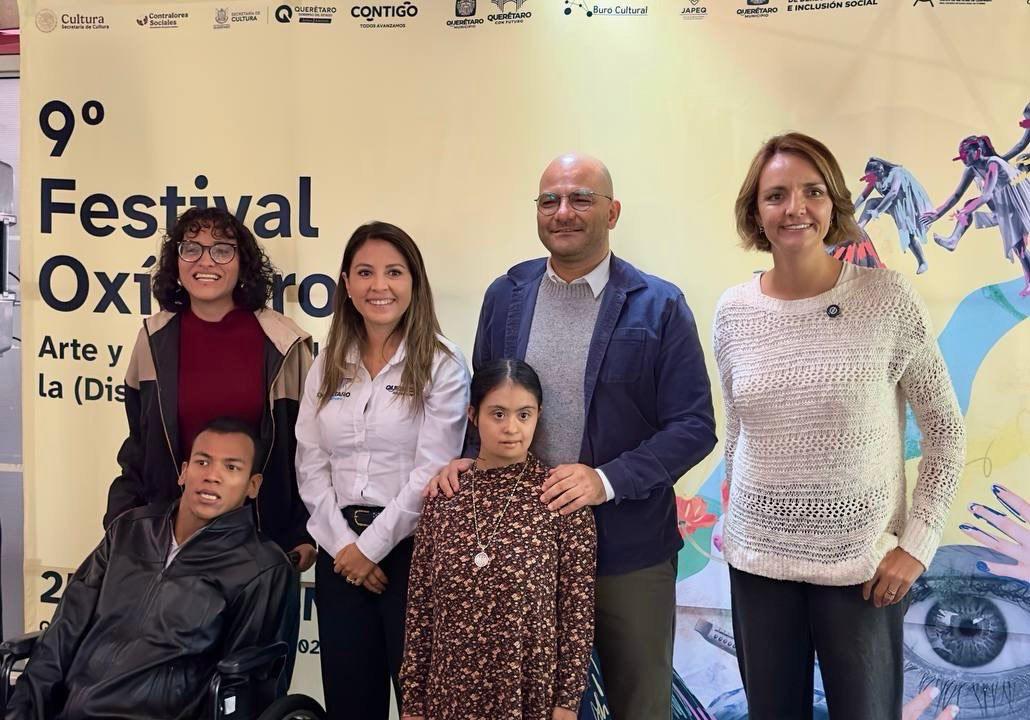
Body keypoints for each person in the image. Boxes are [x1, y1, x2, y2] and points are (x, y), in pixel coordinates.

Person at [428, 153, 717, 720]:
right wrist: (469, 460)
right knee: (529, 706)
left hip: (627, 550)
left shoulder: (659, 305)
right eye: (550, 200)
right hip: (521, 552)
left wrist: (604, 481)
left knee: (639, 704)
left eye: (581, 198)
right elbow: (487, 400)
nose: (563, 212)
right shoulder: (506, 296)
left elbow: (693, 427)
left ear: (613, 212)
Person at [715, 132, 966, 720]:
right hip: (758, 565)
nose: (795, 208)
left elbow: (945, 433)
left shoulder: (887, 298)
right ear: (756, 211)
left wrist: (918, 544)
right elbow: (739, 432)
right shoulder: (733, 311)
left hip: (862, 569)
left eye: (813, 192)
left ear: (834, 203)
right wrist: (738, 525)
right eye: (776, 195)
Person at [5, 418, 294, 720]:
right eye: (202, 462)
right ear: (184, 472)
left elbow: (245, 684)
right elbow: (64, 631)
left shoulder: (262, 567)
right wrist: (22, 712)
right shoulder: (129, 531)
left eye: (231, 467)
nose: (212, 476)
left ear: (253, 485)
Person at [295, 221, 470, 720]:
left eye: (394, 272)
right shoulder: (327, 362)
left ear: (414, 282)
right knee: (350, 704)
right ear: (346, 284)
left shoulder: (442, 363)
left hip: (414, 553)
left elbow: (432, 472)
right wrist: (344, 548)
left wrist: (369, 550)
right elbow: (310, 461)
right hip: (339, 554)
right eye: (365, 272)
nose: (379, 286)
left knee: (421, 706)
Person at [104, 206, 316, 569]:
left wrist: (302, 531)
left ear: (242, 263)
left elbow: (306, 450)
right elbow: (139, 444)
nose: (206, 261)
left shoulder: (284, 343)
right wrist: (122, 521)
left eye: (222, 249)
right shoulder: (153, 339)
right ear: (176, 262)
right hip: (167, 545)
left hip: (261, 546)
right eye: (191, 248)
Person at [400, 359, 596, 720]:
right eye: (498, 414)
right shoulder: (444, 497)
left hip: (527, 693)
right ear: (473, 415)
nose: (511, 428)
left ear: (539, 416)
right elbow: (420, 610)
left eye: (524, 415)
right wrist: (412, 702)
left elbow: (576, 614)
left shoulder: (560, 499)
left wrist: (567, 703)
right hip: (450, 693)